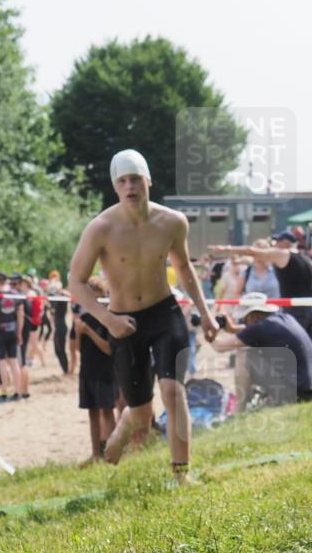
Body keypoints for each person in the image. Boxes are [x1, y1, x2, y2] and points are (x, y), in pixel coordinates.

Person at [68, 149, 219, 486]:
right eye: (122, 181)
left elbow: (184, 268)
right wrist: (108, 320)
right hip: (123, 322)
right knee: (140, 414)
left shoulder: (172, 222)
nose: (130, 186)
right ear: (115, 187)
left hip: (164, 314)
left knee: (173, 391)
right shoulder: (101, 227)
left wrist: (206, 314)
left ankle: (181, 474)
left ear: (148, 180)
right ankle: (125, 425)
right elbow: (75, 283)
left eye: (135, 178)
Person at [210, 292, 312, 405]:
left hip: (297, 393)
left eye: (244, 319)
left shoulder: (261, 328)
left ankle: (239, 410)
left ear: (252, 316)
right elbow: (252, 330)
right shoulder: (285, 319)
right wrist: (232, 329)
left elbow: (219, 347)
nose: (244, 322)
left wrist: (209, 331)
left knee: (244, 356)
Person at [209, 230, 312, 338]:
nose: (274, 246)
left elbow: (251, 251)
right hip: (307, 314)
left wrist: (226, 248)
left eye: (277, 242)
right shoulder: (308, 261)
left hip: (290, 315)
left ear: (285, 243)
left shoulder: (283, 255)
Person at [74, 277, 118, 464]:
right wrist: (78, 332)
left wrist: (90, 332)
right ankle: (96, 454)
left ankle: (112, 452)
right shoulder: (83, 319)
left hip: (106, 372)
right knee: (92, 413)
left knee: (107, 412)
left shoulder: (108, 319)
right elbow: (77, 348)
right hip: (87, 371)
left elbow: (109, 348)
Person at [0, 274, 24, 402]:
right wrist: (19, 332)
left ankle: (4, 392)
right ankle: (17, 392)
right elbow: (20, 315)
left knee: (2, 364)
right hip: (12, 330)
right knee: (14, 362)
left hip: (0, 331)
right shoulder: (15, 295)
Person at [47, 271, 71, 375]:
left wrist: (59, 289)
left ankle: (66, 370)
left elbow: (66, 295)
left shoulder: (62, 296)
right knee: (57, 350)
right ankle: (65, 370)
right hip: (58, 326)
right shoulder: (56, 297)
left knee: (61, 349)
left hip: (61, 326)